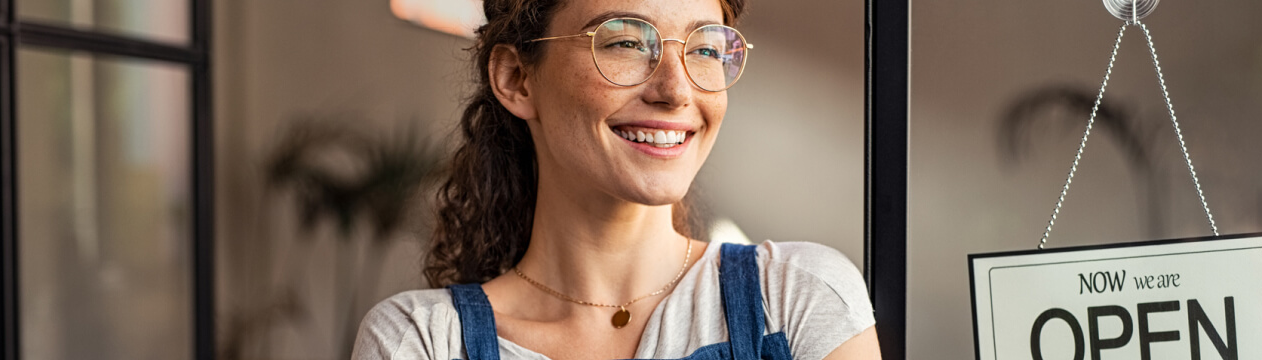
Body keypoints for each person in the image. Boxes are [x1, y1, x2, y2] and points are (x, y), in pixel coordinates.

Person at [352, 0, 881, 358]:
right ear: (516, 78)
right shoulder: (422, 340)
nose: (677, 91)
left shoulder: (797, 297)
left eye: (705, 49)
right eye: (625, 43)